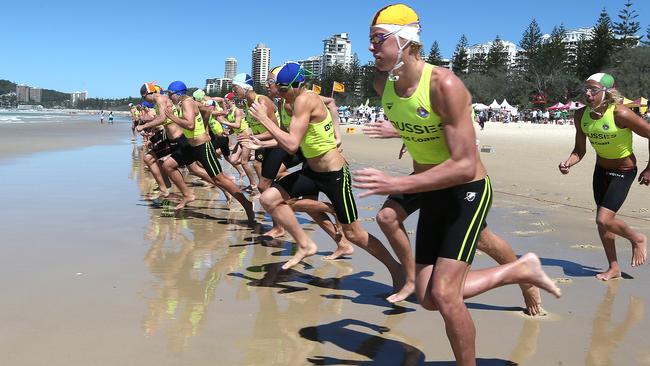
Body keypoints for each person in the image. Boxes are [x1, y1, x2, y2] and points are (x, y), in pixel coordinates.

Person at [354, 5, 561, 365]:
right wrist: (398, 131)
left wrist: (401, 181)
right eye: (369, 40)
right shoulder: (382, 85)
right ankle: (517, 269)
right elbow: (423, 126)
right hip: (431, 189)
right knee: (430, 298)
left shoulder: (444, 84)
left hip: (467, 190)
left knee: (447, 296)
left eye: (378, 39)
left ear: (406, 41)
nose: (371, 47)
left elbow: (465, 165)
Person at [249, 62, 403, 285]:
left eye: (283, 89)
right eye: (278, 89)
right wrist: (259, 143)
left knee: (354, 234)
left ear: (297, 85)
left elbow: (291, 145)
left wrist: (264, 120)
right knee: (269, 198)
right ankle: (305, 244)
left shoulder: (305, 99)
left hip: (334, 175)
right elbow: (294, 138)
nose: (280, 94)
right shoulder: (292, 102)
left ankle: (396, 269)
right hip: (312, 172)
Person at [559, 72, 648, 281]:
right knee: (603, 223)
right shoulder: (581, 115)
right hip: (601, 171)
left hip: (624, 171)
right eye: (586, 89)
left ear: (606, 92)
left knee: (604, 218)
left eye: (593, 90)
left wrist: (649, 168)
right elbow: (579, 150)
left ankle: (637, 238)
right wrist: (568, 163)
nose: (588, 93)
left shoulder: (620, 114)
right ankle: (613, 267)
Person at [160, 81, 255, 222]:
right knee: (168, 165)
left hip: (202, 147)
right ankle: (187, 195)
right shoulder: (186, 103)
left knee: (220, 179)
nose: (169, 97)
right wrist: (204, 127)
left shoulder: (187, 102)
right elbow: (206, 110)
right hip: (191, 147)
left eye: (170, 94)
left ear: (178, 94)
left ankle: (246, 204)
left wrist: (172, 117)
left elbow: (190, 125)